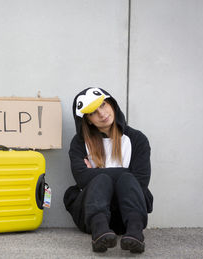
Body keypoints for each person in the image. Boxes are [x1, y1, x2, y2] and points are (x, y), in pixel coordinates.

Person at [63, 87, 153, 253]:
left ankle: (135, 234)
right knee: (103, 180)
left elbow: (140, 181)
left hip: (124, 216)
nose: (102, 114)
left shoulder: (137, 139)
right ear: (88, 120)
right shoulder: (79, 143)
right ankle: (100, 234)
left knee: (124, 180)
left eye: (103, 105)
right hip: (91, 218)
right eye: (93, 112)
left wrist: (95, 173)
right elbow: (82, 178)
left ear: (112, 104)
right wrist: (124, 172)